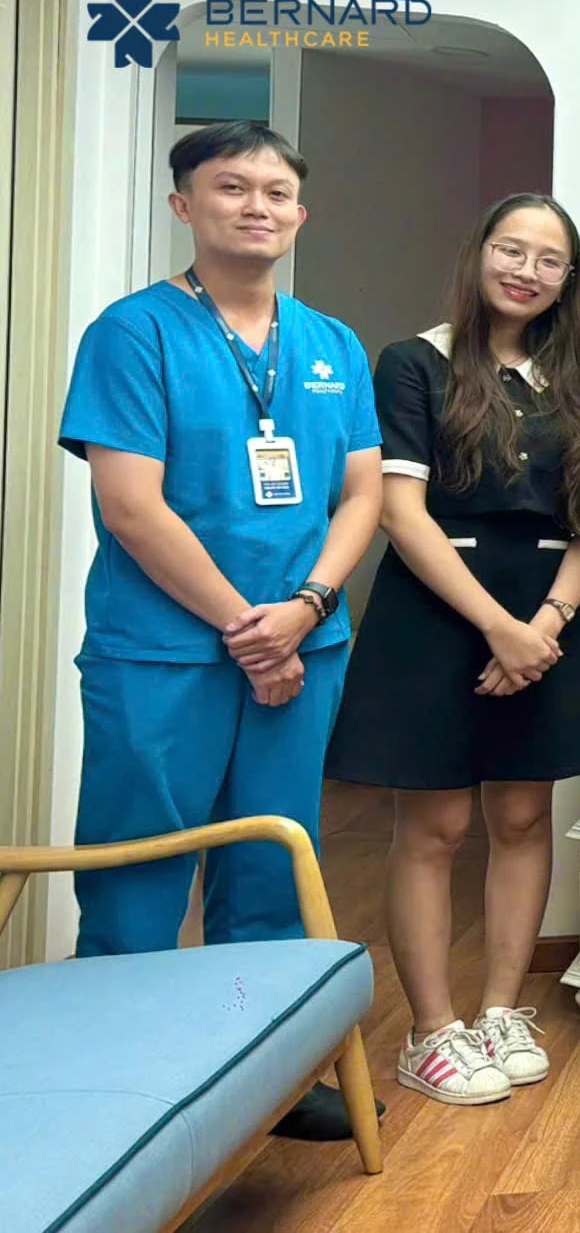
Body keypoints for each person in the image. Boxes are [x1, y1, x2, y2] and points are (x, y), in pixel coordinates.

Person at [57, 120, 384, 1140]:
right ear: (183, 204)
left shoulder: (331, 345)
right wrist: (251, 630)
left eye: (277, 192)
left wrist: (306, 611)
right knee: (137, 874)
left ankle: (265, 1082)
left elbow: (361, 495)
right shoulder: (133, 333)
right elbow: (131, 505)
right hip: (162, 656)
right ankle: (114, 1102)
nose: (257, 206)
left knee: (272, 875)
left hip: (303, 645)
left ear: (301, 213)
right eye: (232, 187)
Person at [324, 193, 580, 1105]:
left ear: (569, 279)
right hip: (438, 613)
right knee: (437, 828)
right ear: (479, 253)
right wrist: (498, 627)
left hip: (544, 620)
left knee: (524, 819)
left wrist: (546, 626)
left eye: (548, 260)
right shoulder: (416, 361)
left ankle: (499, 1011)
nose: (526, 271)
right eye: (511, 250)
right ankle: (432, 1031)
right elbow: (399, 512)